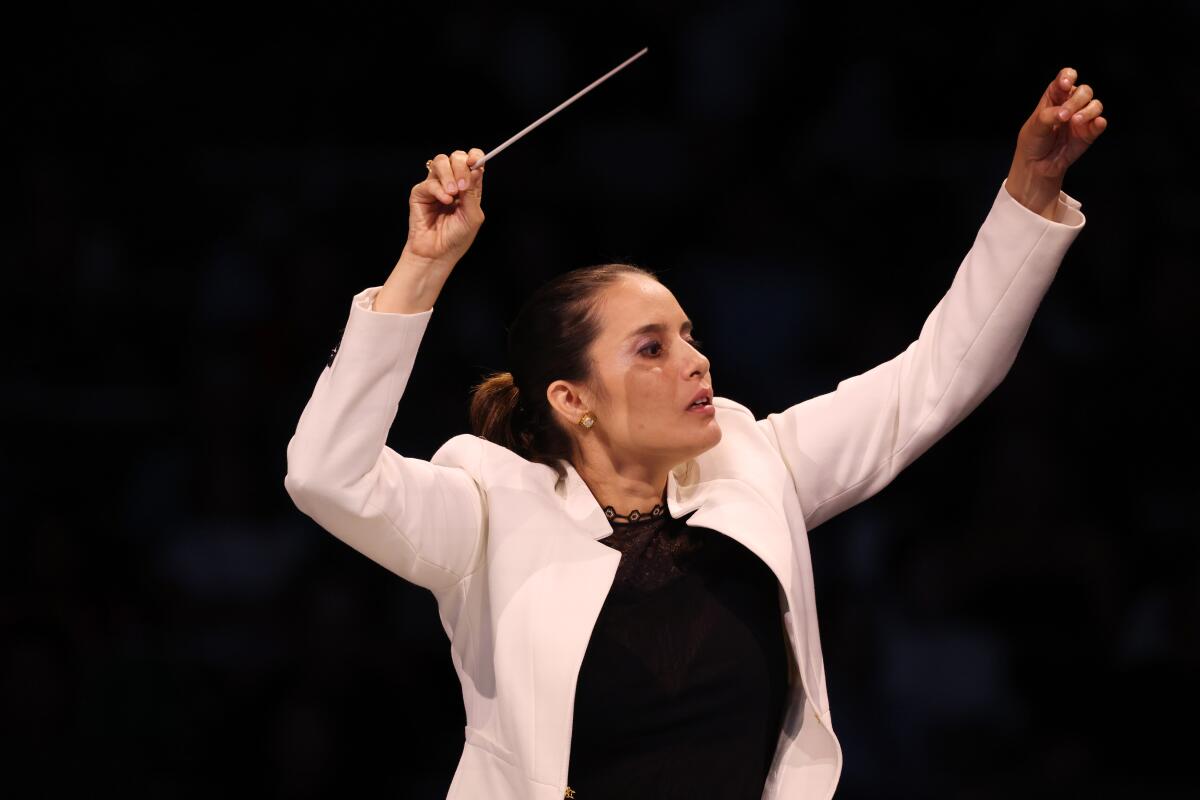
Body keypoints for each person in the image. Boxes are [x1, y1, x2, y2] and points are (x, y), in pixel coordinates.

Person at [284, 67, 1105, 800]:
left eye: (689, 335)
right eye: (651, 349)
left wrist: (1026, 199)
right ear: (574, 400)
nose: (695, 362)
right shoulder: (487, 509)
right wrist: (421, 269)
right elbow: (326, 474)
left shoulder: (754, 465)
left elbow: (936, 379)